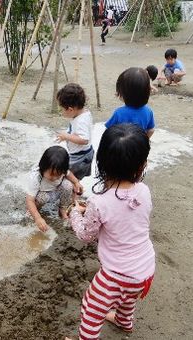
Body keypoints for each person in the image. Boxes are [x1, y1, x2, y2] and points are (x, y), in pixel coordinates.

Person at [68, 124, 155, 340]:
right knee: (127, 300)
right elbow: (124, 214)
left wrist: (74, 214)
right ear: (142, 164)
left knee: (90, 309)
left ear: (102, 162)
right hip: (144, 269)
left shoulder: (99, 202)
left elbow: (86, 235)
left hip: (115, 276)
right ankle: (124, 322)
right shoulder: (143, 191)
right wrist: (91, 211)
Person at [26, 146, 83, 233]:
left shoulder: (61, 169)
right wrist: (37, 218)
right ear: (43, 167)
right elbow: (29, 200)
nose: (55, 177)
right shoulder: (36, 177)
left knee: (68, 185)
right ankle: (34, 212)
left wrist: (76, 183)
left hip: (56, 190)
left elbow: (68, 174)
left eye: (58, 174)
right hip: (43, 193)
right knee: (40, 199)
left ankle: (63, 210)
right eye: (52, 174)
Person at [56, 83, 94, 180]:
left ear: (70, 109)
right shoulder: (84, 113)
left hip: (79, 157)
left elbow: (84, 139)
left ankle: (74, 193)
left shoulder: (81, 121)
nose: (61, 112)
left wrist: (66, 136)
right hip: (84, 154)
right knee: (75, 179)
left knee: (68, 177)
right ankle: (75, 192)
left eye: (62, 109)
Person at [105, 67, 155, 138]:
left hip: (122, 146)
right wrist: (145, 139)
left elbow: (108, 130)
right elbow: (151, 130)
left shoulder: (119, 113)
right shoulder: (148, 111)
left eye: (120, 91)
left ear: (125, 94)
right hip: (139, 145)